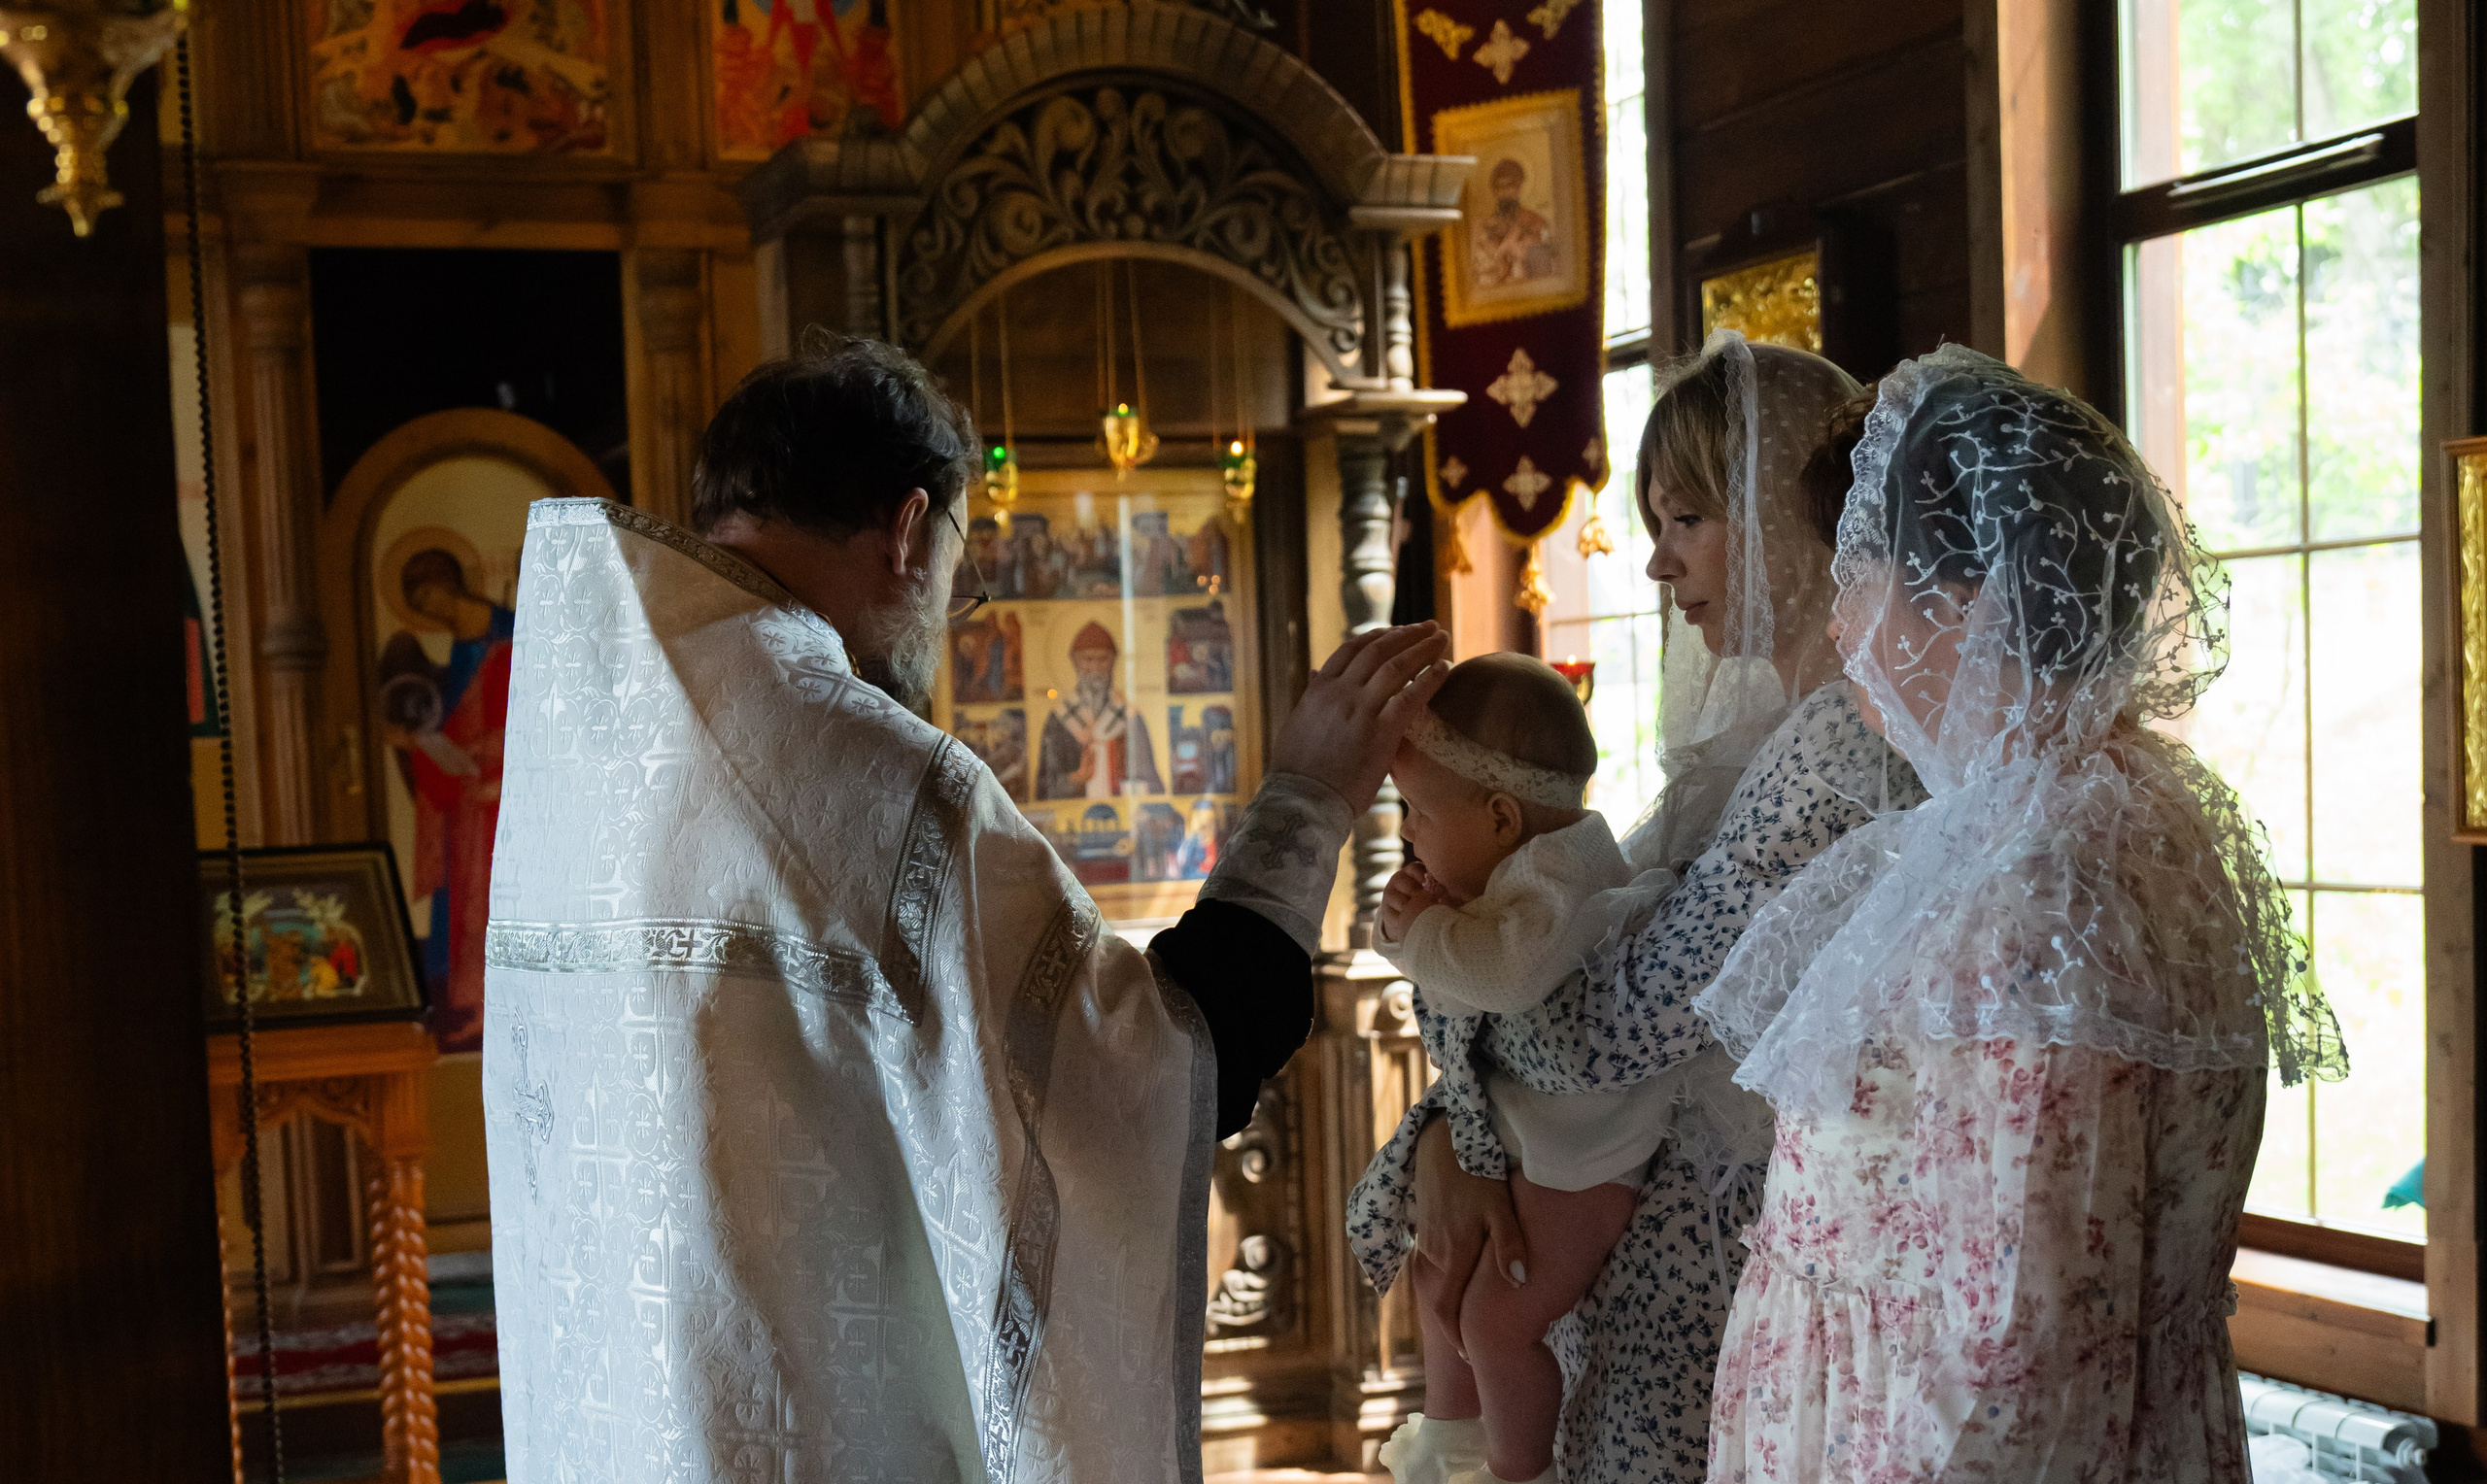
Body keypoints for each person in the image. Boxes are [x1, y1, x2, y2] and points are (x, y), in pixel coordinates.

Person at [481, 333, 1450, 1483]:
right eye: (961, 563)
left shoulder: (586, 752)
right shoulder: (870, 772)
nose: (957, 603)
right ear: (907, 530)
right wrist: (1305, 802)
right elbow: (1143, 1080)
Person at [1696, 346, 2349, 1482]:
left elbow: (2017, 1355)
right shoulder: (2099, 812)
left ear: (1962, 596)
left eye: (1857, 570)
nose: (1841, 618)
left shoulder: (2035, 893)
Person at [1349, 332, 1924, 1484]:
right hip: (1638, 1236)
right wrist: (1455, 1133)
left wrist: (1458, 1091)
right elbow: (1541, 957)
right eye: (1655, 525)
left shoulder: (1836, 751)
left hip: (1735, 1254)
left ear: (1781, 521)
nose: (1658, 566)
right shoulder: (1739, 752)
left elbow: (1598, 1024)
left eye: (1685, 521)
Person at [1370, 654, 1639, 1484]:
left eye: (1416, 811)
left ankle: (1518, 1472)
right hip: (1531, 1142)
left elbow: (1505, 977)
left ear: (1498, 818)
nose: (1406, 831)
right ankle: (1449, 1441)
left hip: (1587, 1165)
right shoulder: (1513, 870)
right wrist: (1407, 928)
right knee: (1436, 1270)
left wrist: (1419, 937)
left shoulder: (1562, 878)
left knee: (1497, 1321)